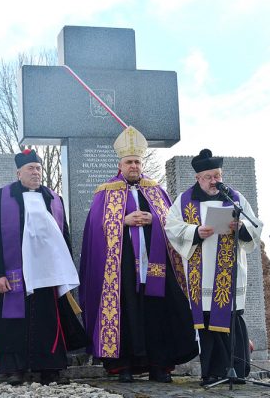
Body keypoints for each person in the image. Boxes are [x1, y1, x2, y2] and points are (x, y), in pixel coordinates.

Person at [80, 126, 198, 383]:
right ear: (120, 165)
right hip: (121, 267)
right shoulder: (105, 192)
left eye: (137, 161)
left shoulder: (155, 190)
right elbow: (95, 230)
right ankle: (124, 366)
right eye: (129, 162)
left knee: (157, 312)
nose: (133, 166)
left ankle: (159, 364)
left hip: (155, 264)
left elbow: (171, 223)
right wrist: (123, 221)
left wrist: (153, 219)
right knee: (126, 311)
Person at [0, 149, 86, 386]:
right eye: (30, 168)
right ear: (18, 172)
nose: (36, 172)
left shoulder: (54, 199)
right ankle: (14, 369)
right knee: (14, 322)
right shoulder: (1, 197)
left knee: (48, 320)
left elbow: (64, 237)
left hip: (47, 274)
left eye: (38, 168)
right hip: (15, 274)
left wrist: (64, 270)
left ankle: (50, 368)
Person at [164, 148, 263, 386]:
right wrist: (195, 231)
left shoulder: (235, 198)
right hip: (202, 271)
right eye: (208, 177)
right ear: (198, 178)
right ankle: (211, 371)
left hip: (229, 270)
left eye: (217, 175)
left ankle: (236, 370)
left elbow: (255, 226)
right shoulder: (185, 200)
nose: (214, 181)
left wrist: (239, 228)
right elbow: (171, 226)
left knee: (232, 317)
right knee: (207, 320)